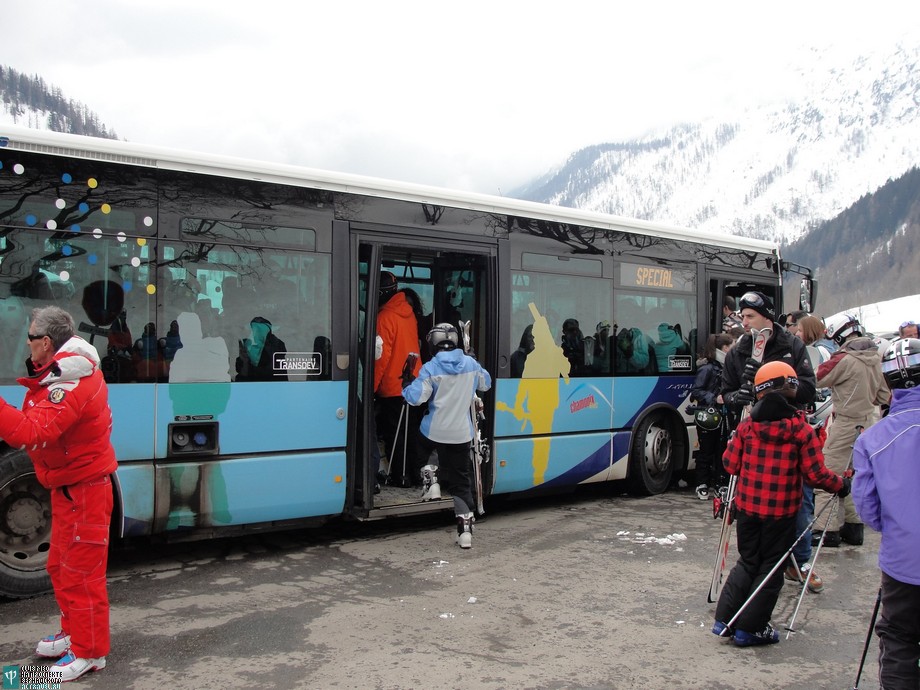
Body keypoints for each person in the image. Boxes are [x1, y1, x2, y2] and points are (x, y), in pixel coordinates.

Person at [0, 306, 117, 681]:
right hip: (67, 489)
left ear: (46, 342)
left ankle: (90, 653)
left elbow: (30, 433)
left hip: (85, 491)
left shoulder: (72, 381)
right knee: (60, 566)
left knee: (82, 573)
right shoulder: (59, 373)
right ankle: (74, 634)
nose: (28, 343)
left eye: (31, 337)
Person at [713, 361, 848, 647]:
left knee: (748, 561)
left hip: (748, 510)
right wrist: (841, 484)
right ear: (792, 390)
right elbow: (815, 475)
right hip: (781, 513)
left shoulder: (748, 426)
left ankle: (724, 620)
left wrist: (733, 444)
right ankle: (750, 628)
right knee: (772, 567)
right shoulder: (801, 430)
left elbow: (730, 464)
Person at [720, 291, 824, 591]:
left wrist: (774, 386)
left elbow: (808, 388)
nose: (745, 321)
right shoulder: (739, 350)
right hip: (753, 432)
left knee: (800, 500)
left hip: (790, 431)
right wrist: (737, 396)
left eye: (750, 316)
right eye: (742, 316)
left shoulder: (790, 345)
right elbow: (725, 391)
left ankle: (799, 561)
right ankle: (752, 565)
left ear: (766, 315)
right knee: (753, 499)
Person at [852, 338, 920, 690]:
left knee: (899, 638)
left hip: (904, 560)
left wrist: (897, 527)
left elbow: (866, 505)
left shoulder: (874, 439)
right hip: (902, 555)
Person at [402, 323, 492, 548]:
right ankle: (465, 532)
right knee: (461, 482)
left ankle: (431, 481)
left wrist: (406, 384)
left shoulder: (431, 368)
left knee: (422, 445)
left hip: (435, 430)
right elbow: (486, 384)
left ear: (432, 344)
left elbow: (416, 398)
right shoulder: (470, 364)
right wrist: (474, 361)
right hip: (462, 433)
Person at [813, 313, 890, 548]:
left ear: (840, 337)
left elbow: (816, 378)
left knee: (829, 475)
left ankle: (825, 530)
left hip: (846, 422)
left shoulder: (843, 358)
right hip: (869, 422)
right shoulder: (876, 358)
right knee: (857, 477)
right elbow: (884, 396)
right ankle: (854, 528)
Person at [374, 271, 422, 486]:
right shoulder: (408, 313)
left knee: (395, 434)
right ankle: (413, 474)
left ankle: (400, 476)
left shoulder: (385, 316)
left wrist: (371, 387)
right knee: (411, 433)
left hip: (393, 385)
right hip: (414, 382)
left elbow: (380, 357)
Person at [689, 333, 733, 499]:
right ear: (724, 349)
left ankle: (720, 484)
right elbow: (696, 391)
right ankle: (703, 483)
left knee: (722, 450)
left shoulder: (726, 368)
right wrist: (714, 398)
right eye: (731, 347)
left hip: (723, 414)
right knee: (706, 450)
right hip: (708, 415)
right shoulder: (707, 368)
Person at [235, 316, 288, 381]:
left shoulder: (276, 346)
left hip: (272, 385)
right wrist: (245, 361)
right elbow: (242, 371)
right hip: (247, 385)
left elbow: (275, 372)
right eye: (253, 330)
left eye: (258, 330)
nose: (254, 333)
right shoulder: (248, 344)